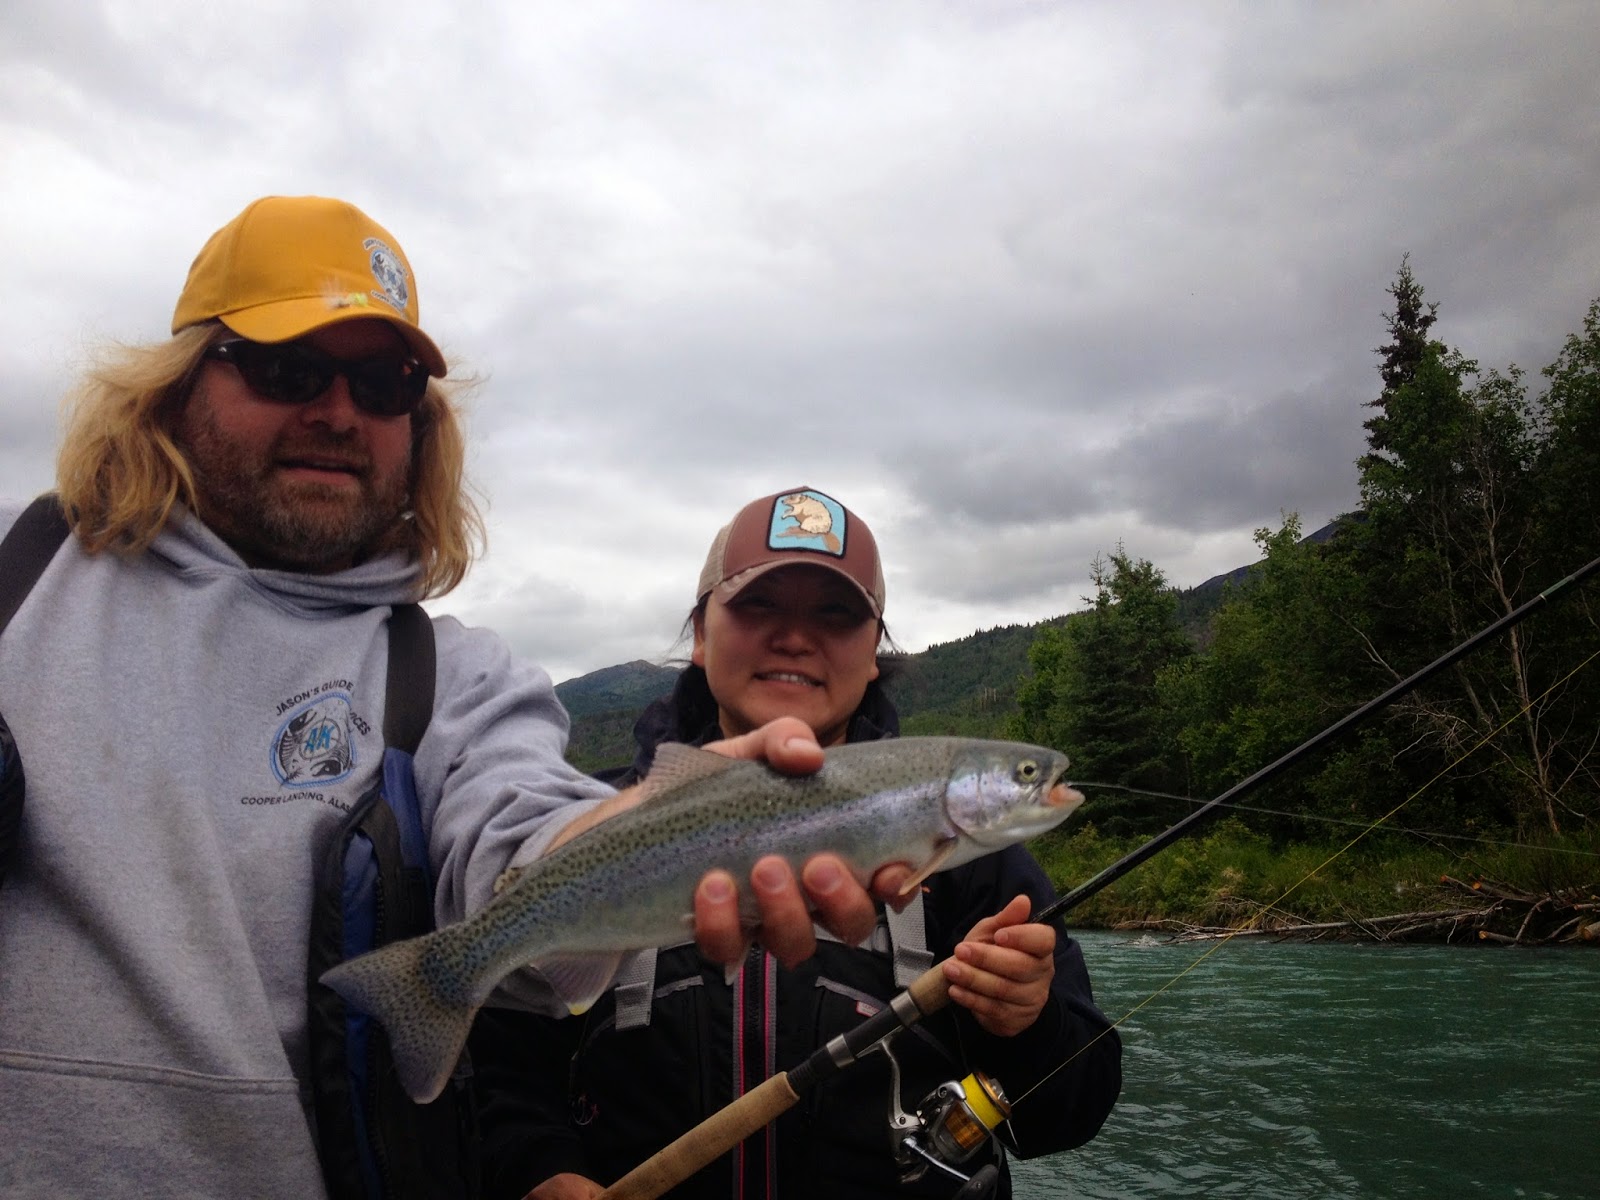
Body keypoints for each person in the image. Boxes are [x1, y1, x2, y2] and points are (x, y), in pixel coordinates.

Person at [0, 199, 887, 1198]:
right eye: (288, 367)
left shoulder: (456, 681)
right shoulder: (14, 581)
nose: (338, 413)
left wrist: (657, 827)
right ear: (176, 385)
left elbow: (523, 831)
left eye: (383, 383)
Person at [471, 488, 1123, 1200]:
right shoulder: (586, 827)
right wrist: (541, 1168)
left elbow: (1074, 1113)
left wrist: (1031, 1025)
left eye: (836, 614)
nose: (795, 637)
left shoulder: (979, 868)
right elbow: (499, 1069)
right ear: (699, 634)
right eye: (758, 606)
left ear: (874, 650)